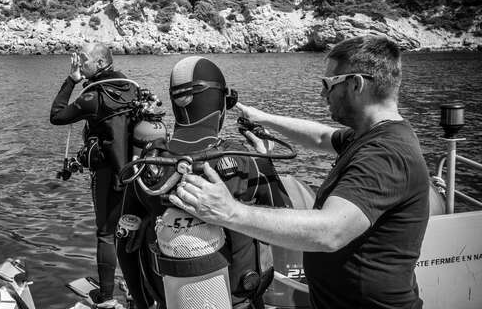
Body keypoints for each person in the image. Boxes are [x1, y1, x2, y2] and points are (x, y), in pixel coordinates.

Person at [170, 36, 430, 309]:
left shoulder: (386, 155)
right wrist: (263, 117)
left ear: (356, 84)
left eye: (328, 84)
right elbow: (320, 138)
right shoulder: (372, 134)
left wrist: (229, 211)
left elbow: (330, 232)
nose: (322, 94)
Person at [117, 56, 290, 309]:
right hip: (239, 300)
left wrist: (142, 304)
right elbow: (287, 224)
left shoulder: (149, 162)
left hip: (168, 299)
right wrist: (265, 160)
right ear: (221, 103)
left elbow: (125, 239)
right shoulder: (247, 160)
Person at [50, 42, 137, 308]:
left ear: (100, 64)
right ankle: (136, 289)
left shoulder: (93, 96)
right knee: (132, 228)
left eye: (84, 60)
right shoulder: (130, 87)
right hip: (136, 171)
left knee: (106, 234)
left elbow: (56, 115)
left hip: (108, 173)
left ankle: (107, 297)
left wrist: (71, 80)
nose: (79, 63)